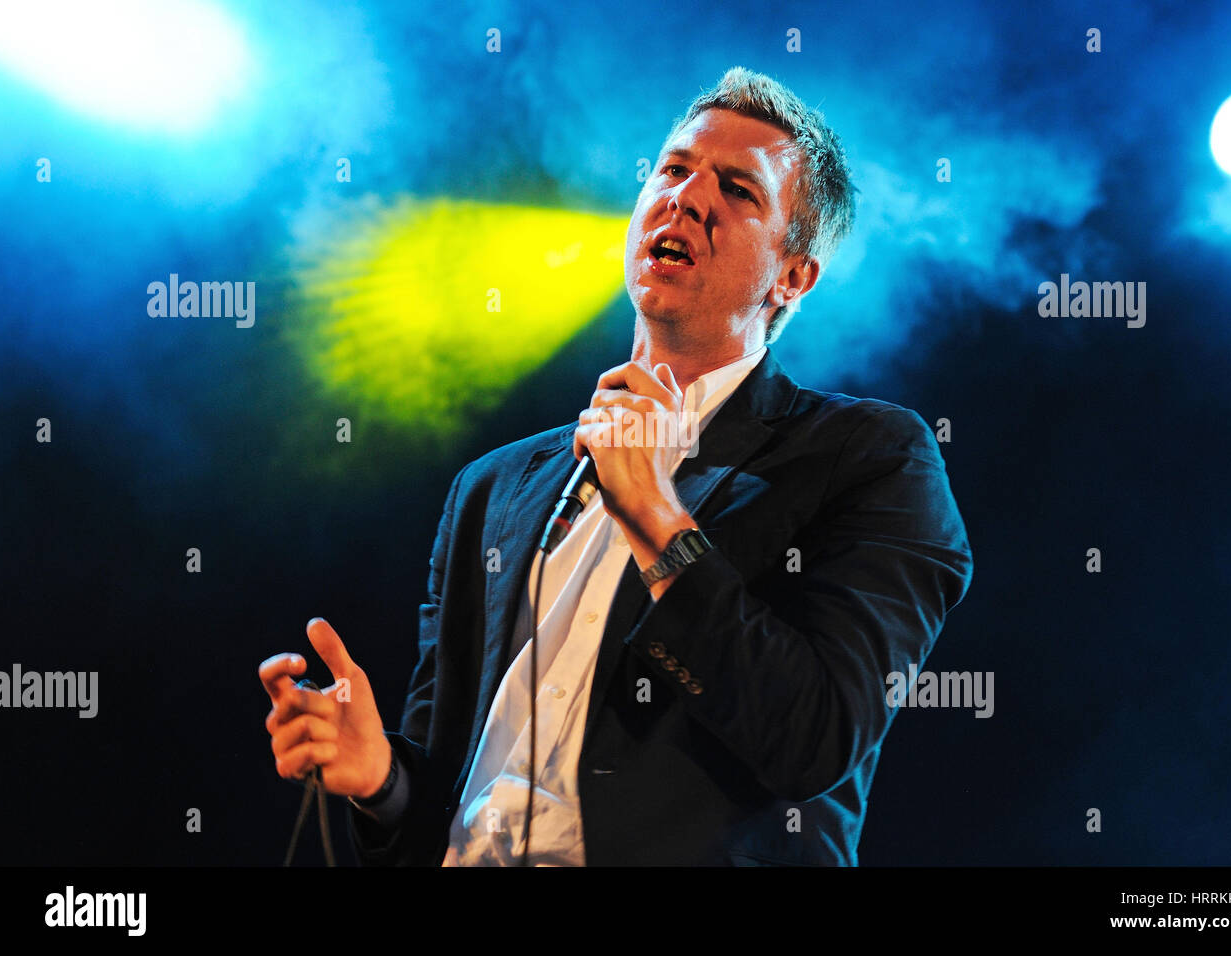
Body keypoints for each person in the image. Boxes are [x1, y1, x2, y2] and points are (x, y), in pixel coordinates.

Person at [259, 66, 973, 866]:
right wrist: (380, 777)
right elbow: (441, 796)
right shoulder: (492, 490)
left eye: (739, 190)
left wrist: (655, 517)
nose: (687, 197)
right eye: (673, 169)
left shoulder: (868, 458)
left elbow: (811, 739)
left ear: (794, 276)